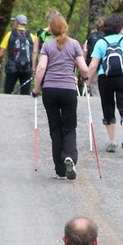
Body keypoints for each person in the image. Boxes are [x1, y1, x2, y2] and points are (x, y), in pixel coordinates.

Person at [31, 13, 89, 180]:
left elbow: (41, 68)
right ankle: (69, 156)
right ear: (65, 27)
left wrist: (36, 89)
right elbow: (84, 69)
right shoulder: (75, 44)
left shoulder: (47, 45)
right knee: (69, 127)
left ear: (51, 29)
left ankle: (60, 170)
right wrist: (84, 78)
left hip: (50, 90)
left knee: (55, 129)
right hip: (68, 90)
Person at [87, 14, 123, 158]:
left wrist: (87, 83)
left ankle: (112, 141)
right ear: (121, 27)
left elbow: (93, 66)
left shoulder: (101, 42)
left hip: (105, 77)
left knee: (108, 107)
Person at [0, 14, 35, 95]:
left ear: (17, 23)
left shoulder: (9, 34)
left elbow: (0, 54)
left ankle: (7, 106)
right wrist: (34, 67)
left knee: (8, 93)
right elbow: (35, 53)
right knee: (25, 94)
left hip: (12, 68)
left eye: (14, 22)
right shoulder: (32, 36)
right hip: (27, 68)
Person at [82, 17, 105, 97]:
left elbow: (84, 54)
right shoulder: (108, 38)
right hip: (106, 68)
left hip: (93, 67)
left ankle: (97, 106)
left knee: (95, 87)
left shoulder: (90, 37)